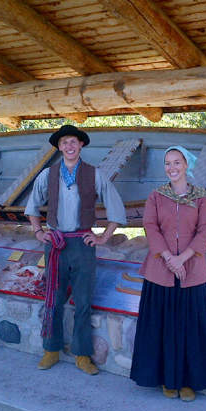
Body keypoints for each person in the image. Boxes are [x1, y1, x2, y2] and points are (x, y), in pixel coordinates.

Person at [25, 124, 127, 375]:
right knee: (54, 299)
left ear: (81, 145)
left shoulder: (94, 174)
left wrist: (104, 237)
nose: (69, 146)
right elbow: (32, 207)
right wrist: (39, 232)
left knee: (83, 301)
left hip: (82, 244)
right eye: (64, 142)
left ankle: (82, 355)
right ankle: (51, 349)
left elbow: (116, 207)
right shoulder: (48, 175)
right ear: (59, 147)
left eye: (74, 142)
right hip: (56, 244)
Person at [130, 146, 206, 402]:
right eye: (168, 163)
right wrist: (169, 257)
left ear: (186, 165)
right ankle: (167, 380)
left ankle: (189, 382)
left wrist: (183, 258)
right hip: (161, 269)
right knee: (163, 326)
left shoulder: (200, 197)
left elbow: (205, 230)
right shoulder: (156, 196)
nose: (172, 167)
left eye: (177, 162)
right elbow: (150, 227)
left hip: (193, 269)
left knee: (191, 326)